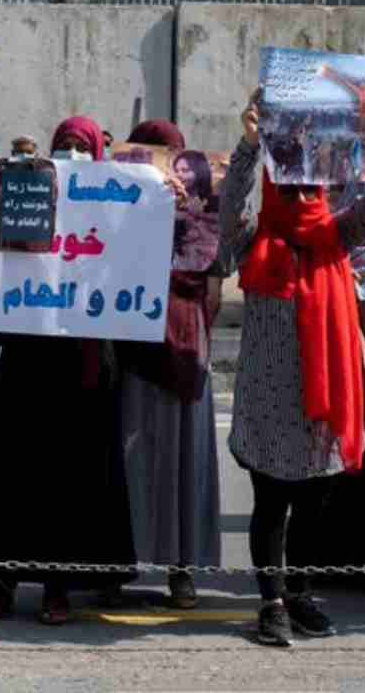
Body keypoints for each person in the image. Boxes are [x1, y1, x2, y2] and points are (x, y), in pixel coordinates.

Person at [221, 89, 365, 647]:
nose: (301, 192)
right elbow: (230, 210)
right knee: (271, 503)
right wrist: (249, 147)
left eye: (310, 184)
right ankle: (271, 602)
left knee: (314, 505)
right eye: (291, 182)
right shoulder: (256, 242)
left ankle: (299, 595)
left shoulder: (336, 236)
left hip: (327, 400)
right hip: (268, 402)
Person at [0, 116, 137, 626]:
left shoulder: (110, 207)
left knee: (70, 477)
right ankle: (4, 579)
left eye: (80, 148)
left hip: (83, 361)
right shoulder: (30, 197)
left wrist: (158, 197)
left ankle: (57, 586)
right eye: (63, 147)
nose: (71, 155)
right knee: (14, 470)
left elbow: (134, 252)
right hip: (28, 353)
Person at [109, 120, 222, 611]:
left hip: (183, 342)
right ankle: (116, 561)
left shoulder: (204, 213)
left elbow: (214, 289)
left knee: (184, 458)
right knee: (128, 456)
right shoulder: (119, 209)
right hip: (133, 342)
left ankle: (183, 569)